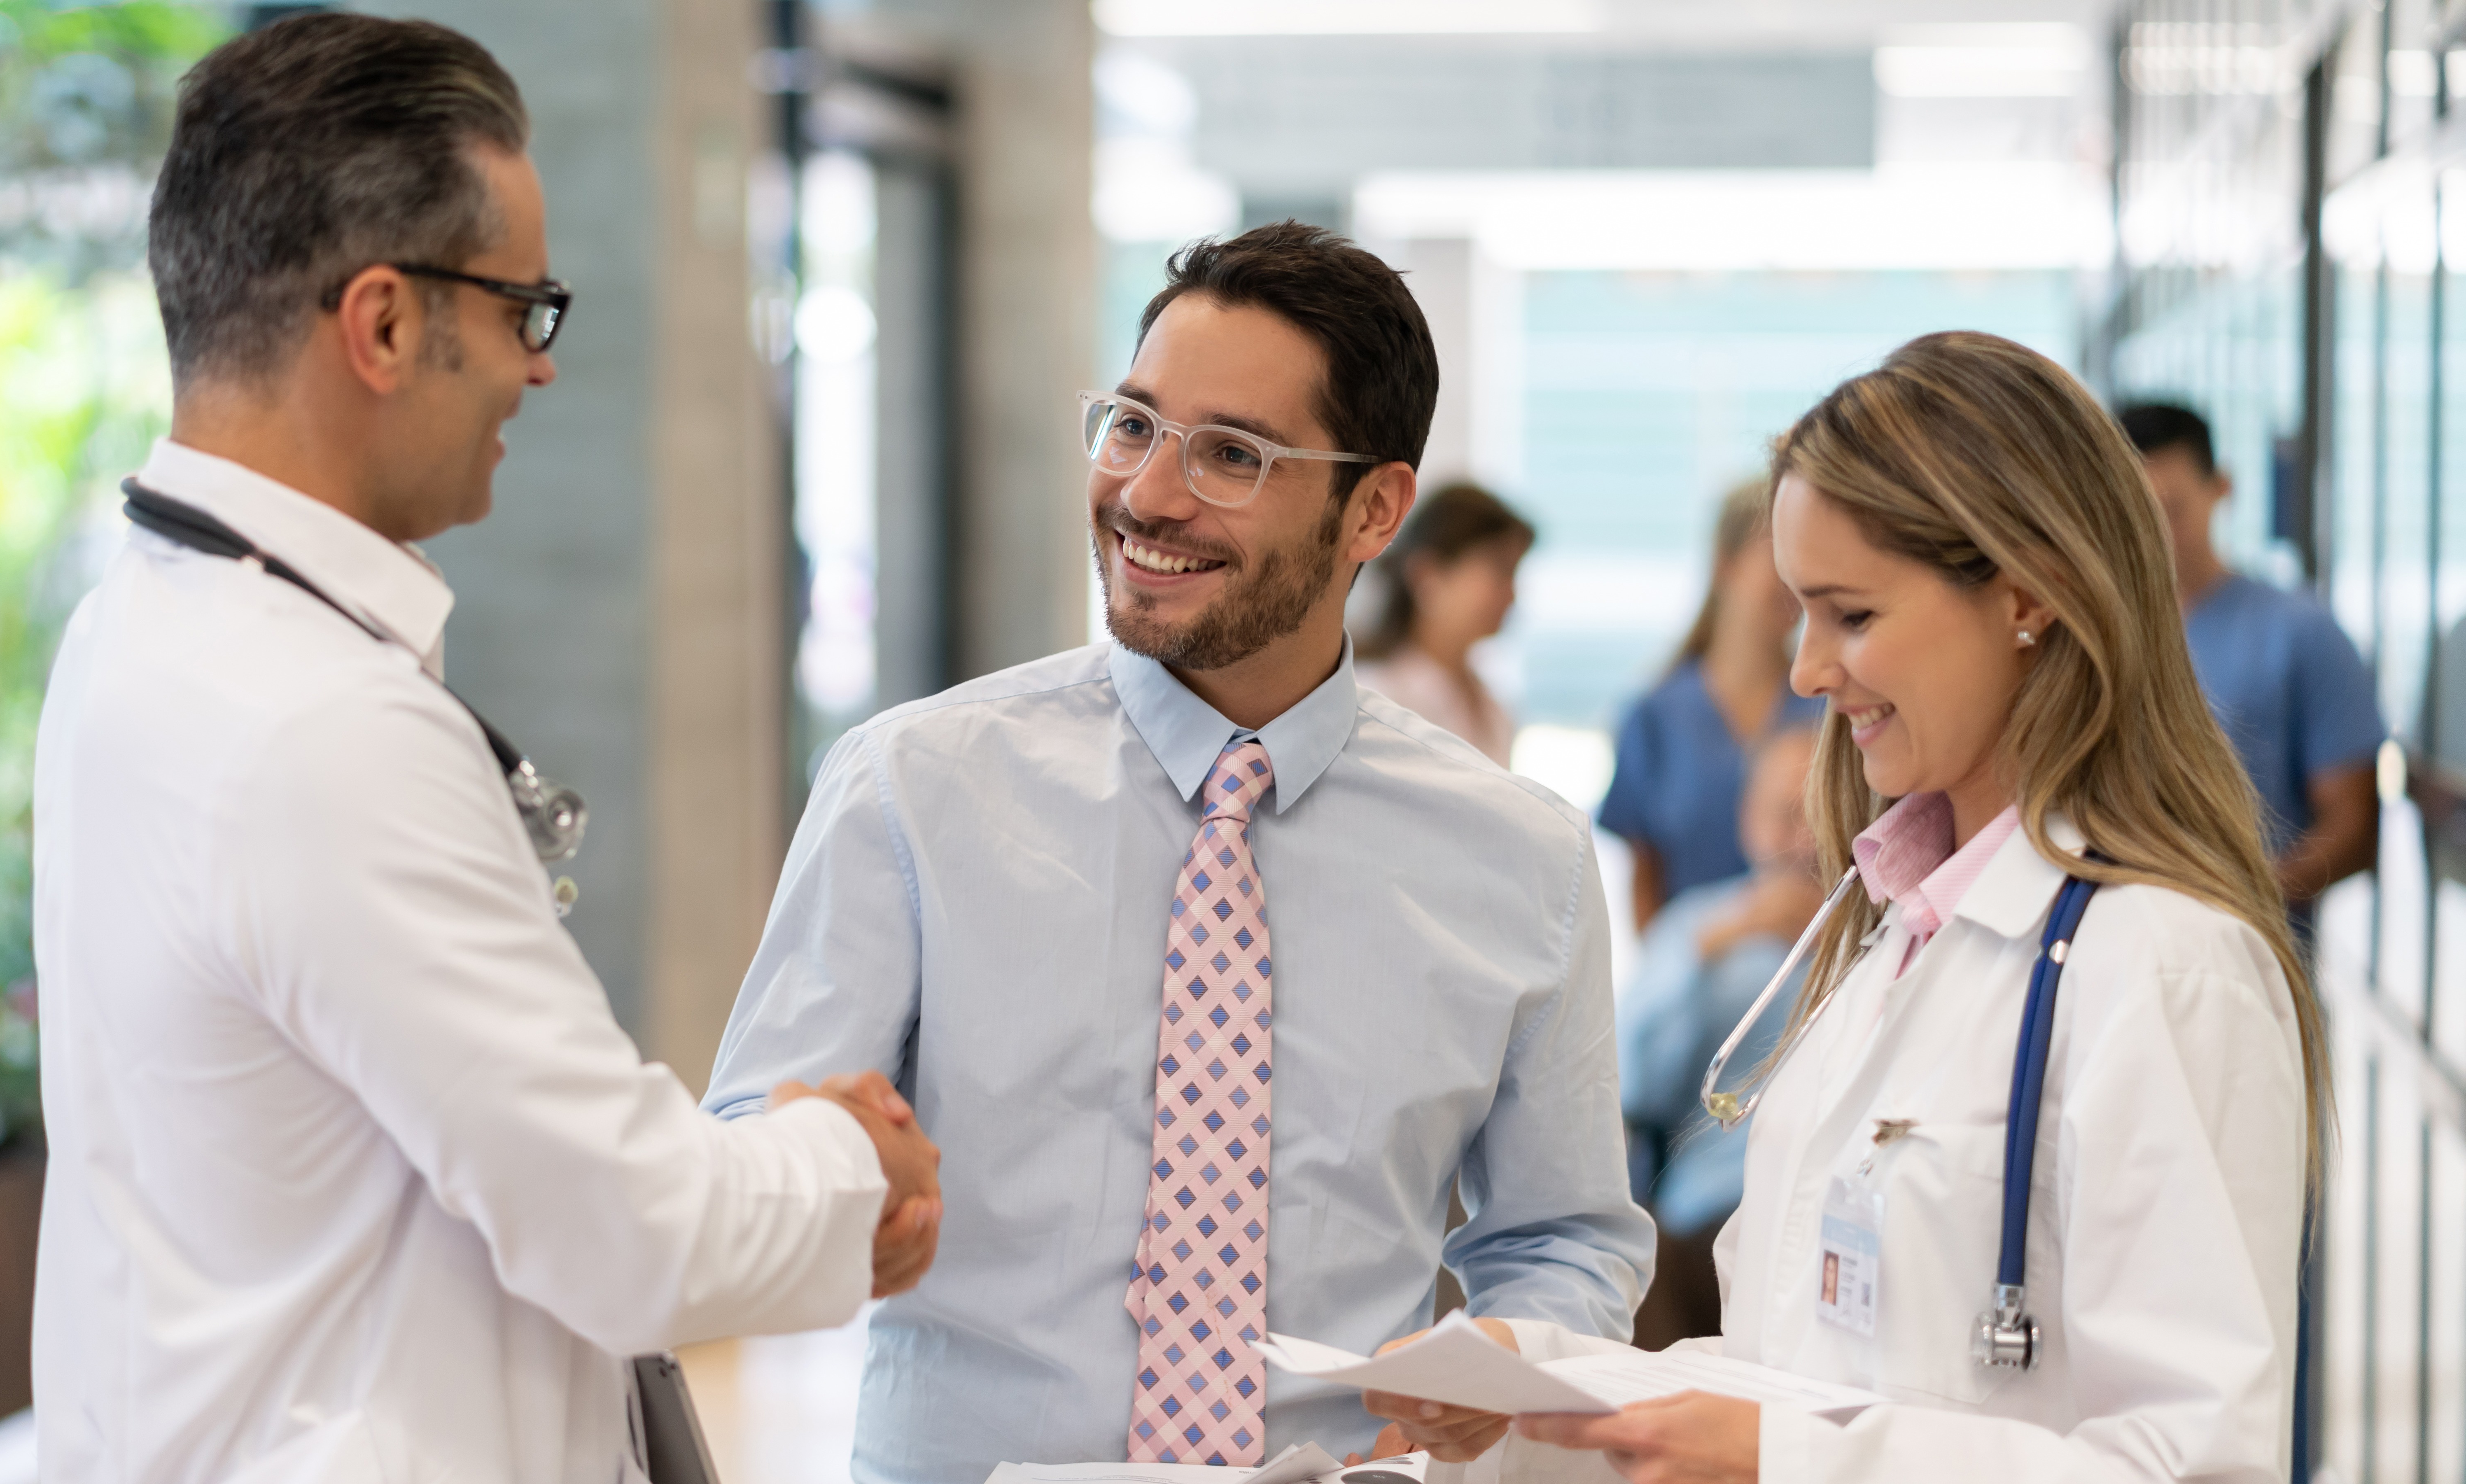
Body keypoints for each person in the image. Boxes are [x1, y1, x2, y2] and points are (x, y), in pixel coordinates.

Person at [27, 17, 943, 1482]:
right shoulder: (318, 727)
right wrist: (854, 1163)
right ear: (383, 324)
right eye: (525, 308)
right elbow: (626, 1227)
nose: (538, 368)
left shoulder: (141, 630)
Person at [704, 222, 1651, 1480]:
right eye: (1133, 424)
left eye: (1231, 455)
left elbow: (1568, 1239)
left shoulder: (1519, 858)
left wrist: (1506, 1352)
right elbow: (750, 1158)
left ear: (1372, 508)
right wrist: (826, 1187)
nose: (1148, 494)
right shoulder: (912, 788)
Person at [1360, 331, 2321, 1482]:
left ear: (2027, 594)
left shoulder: (2162, 967)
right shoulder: (1889, 938)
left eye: (1851, 615)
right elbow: (1802, 1370)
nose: (1808, 671)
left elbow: (2195, 1461)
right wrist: (1542, 1385)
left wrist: (1788, 1461)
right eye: (1798, 615)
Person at [2116, 402, 2382, 912]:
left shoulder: (2302, 633)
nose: (2152, 533)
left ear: (2221, 488)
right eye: (2133, 511)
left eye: (2171, 510)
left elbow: (2351, 831)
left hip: (2251, 954)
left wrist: (2234, 906)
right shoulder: (2091, 638)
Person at [1616, 728, 1817, 1351]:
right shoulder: (1693, 930)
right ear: (1747, 823)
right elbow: (1627, 1079)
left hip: (1813, 1211)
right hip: (1702, 1212)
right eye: (1784, 817)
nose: (1800, 840)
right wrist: (1715, 947)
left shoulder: (1882, 933)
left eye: (1816, 817)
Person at [1596, 482, 1824, 928]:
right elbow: (1643, 887)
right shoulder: (1655, 718)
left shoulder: (1828, 709)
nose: (1793, 584)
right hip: (1695, 973)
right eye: (1778, 562)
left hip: (1805, 971)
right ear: (1726, 564)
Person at [1352, 483, 1535, 765]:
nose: (1512, 594)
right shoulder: (1374, 697)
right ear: (1427, 574)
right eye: (1500, 570)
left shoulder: (1493, 704)